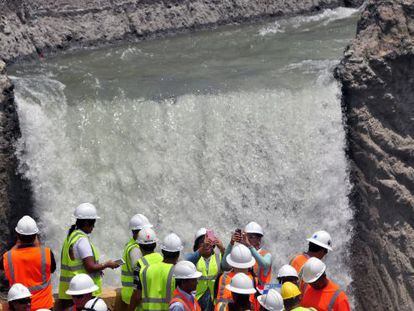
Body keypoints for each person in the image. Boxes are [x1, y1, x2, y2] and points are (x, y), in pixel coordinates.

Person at [58, 203, 120, 308]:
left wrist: (98, 268)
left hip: (71, 290)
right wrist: (107, 264)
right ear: (86, 222)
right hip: (83, 292)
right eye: (93, 223)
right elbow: (90, 267)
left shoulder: (71, 237)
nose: (93, 227)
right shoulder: (82, 240)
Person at [2, 216, 55, 311]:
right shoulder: (47, 253)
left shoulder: (8, 257)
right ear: (35, 235)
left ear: (18, 236)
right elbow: (52, 269)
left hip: (20, 307)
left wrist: (17, 244)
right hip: (44, 306)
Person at [131, 232, 183, 311]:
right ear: (178, 254)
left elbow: (137, 296)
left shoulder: (145, 270)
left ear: (162, 251)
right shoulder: (178, 273)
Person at [186, 228, 224, 311]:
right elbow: (186, 262)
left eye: (209, 241)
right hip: (197, 299)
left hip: (213, 299)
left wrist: (222, 248)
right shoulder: (194, 258)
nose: (206, 244)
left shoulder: (218, 257)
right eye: (202, 242)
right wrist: (201, 249)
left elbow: (228, 265)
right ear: (197, 245)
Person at [121, 214, 153, 306]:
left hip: (131, 293)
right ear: (137, 232)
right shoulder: (136, 249)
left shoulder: (131, 244)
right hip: (134, 294)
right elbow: (139, 272)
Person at [129, 227, 163, 310]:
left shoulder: (140, 265)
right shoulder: (162, 259)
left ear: (140, 246)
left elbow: (137, 296)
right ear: (155, 244)